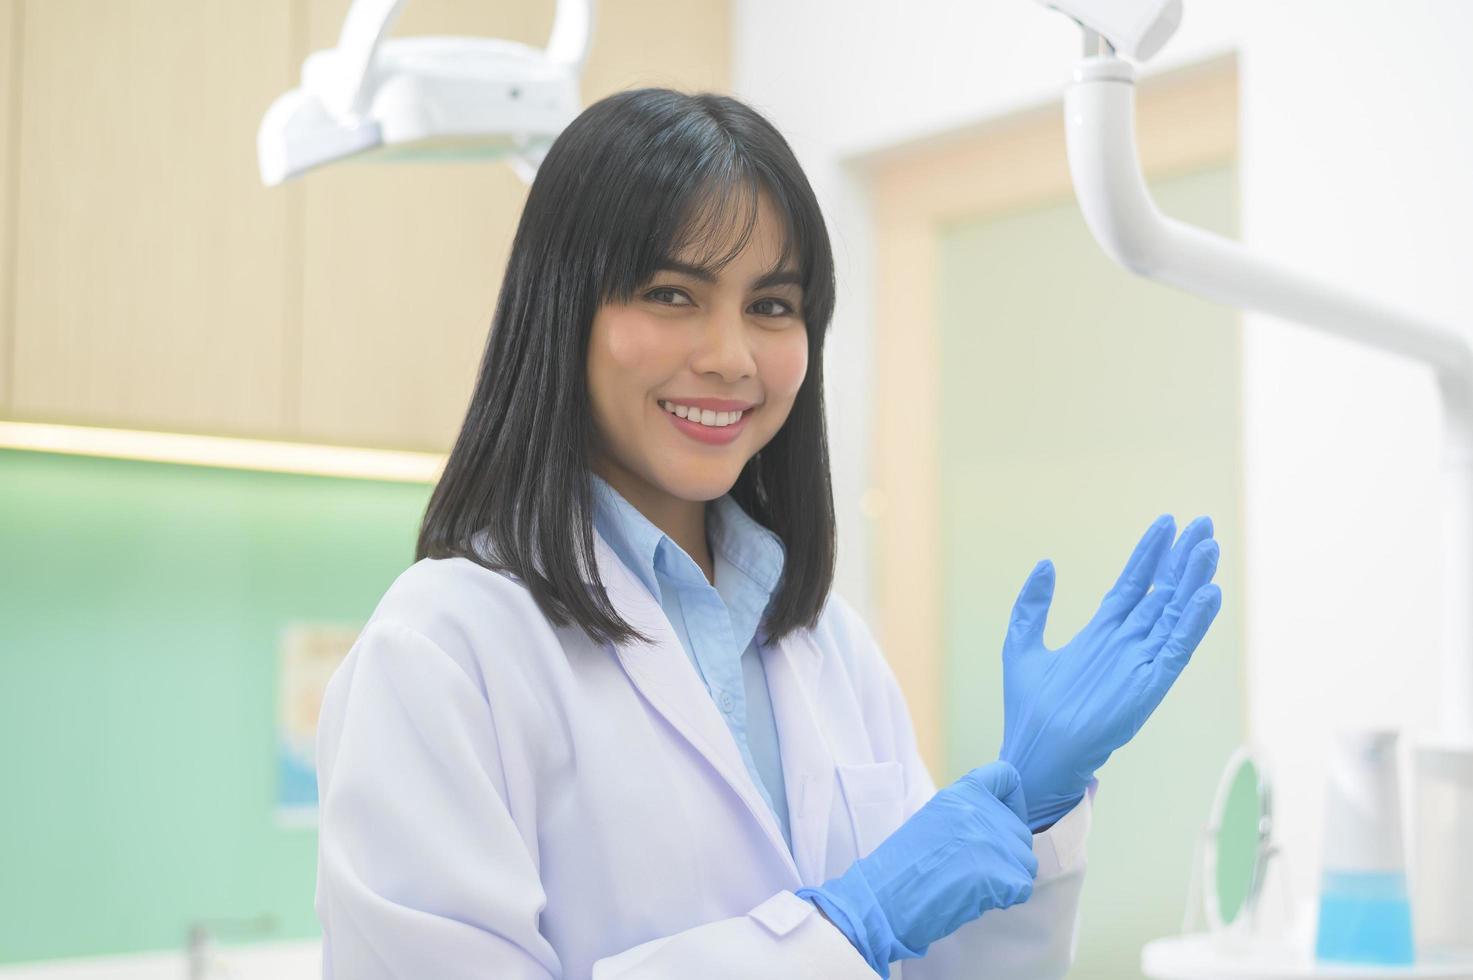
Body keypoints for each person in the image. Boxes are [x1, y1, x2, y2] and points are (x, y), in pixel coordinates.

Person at [313, 87, 1223, 979]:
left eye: (772, 306)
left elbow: (927, 963)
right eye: (671, 293)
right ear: (562, 314)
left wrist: (1029, 809)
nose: (730, 356)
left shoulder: (827, 645)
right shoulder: (442, 647)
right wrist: (846, 925)